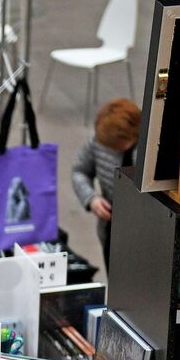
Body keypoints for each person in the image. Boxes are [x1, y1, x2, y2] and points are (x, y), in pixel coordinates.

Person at [71, 97, 140, 271]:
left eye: (119, 145)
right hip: (110, 230)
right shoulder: (99, 140)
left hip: (144, 233)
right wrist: (91, 199)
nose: (114, 149)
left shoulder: (151, 147)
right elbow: (79, 171)